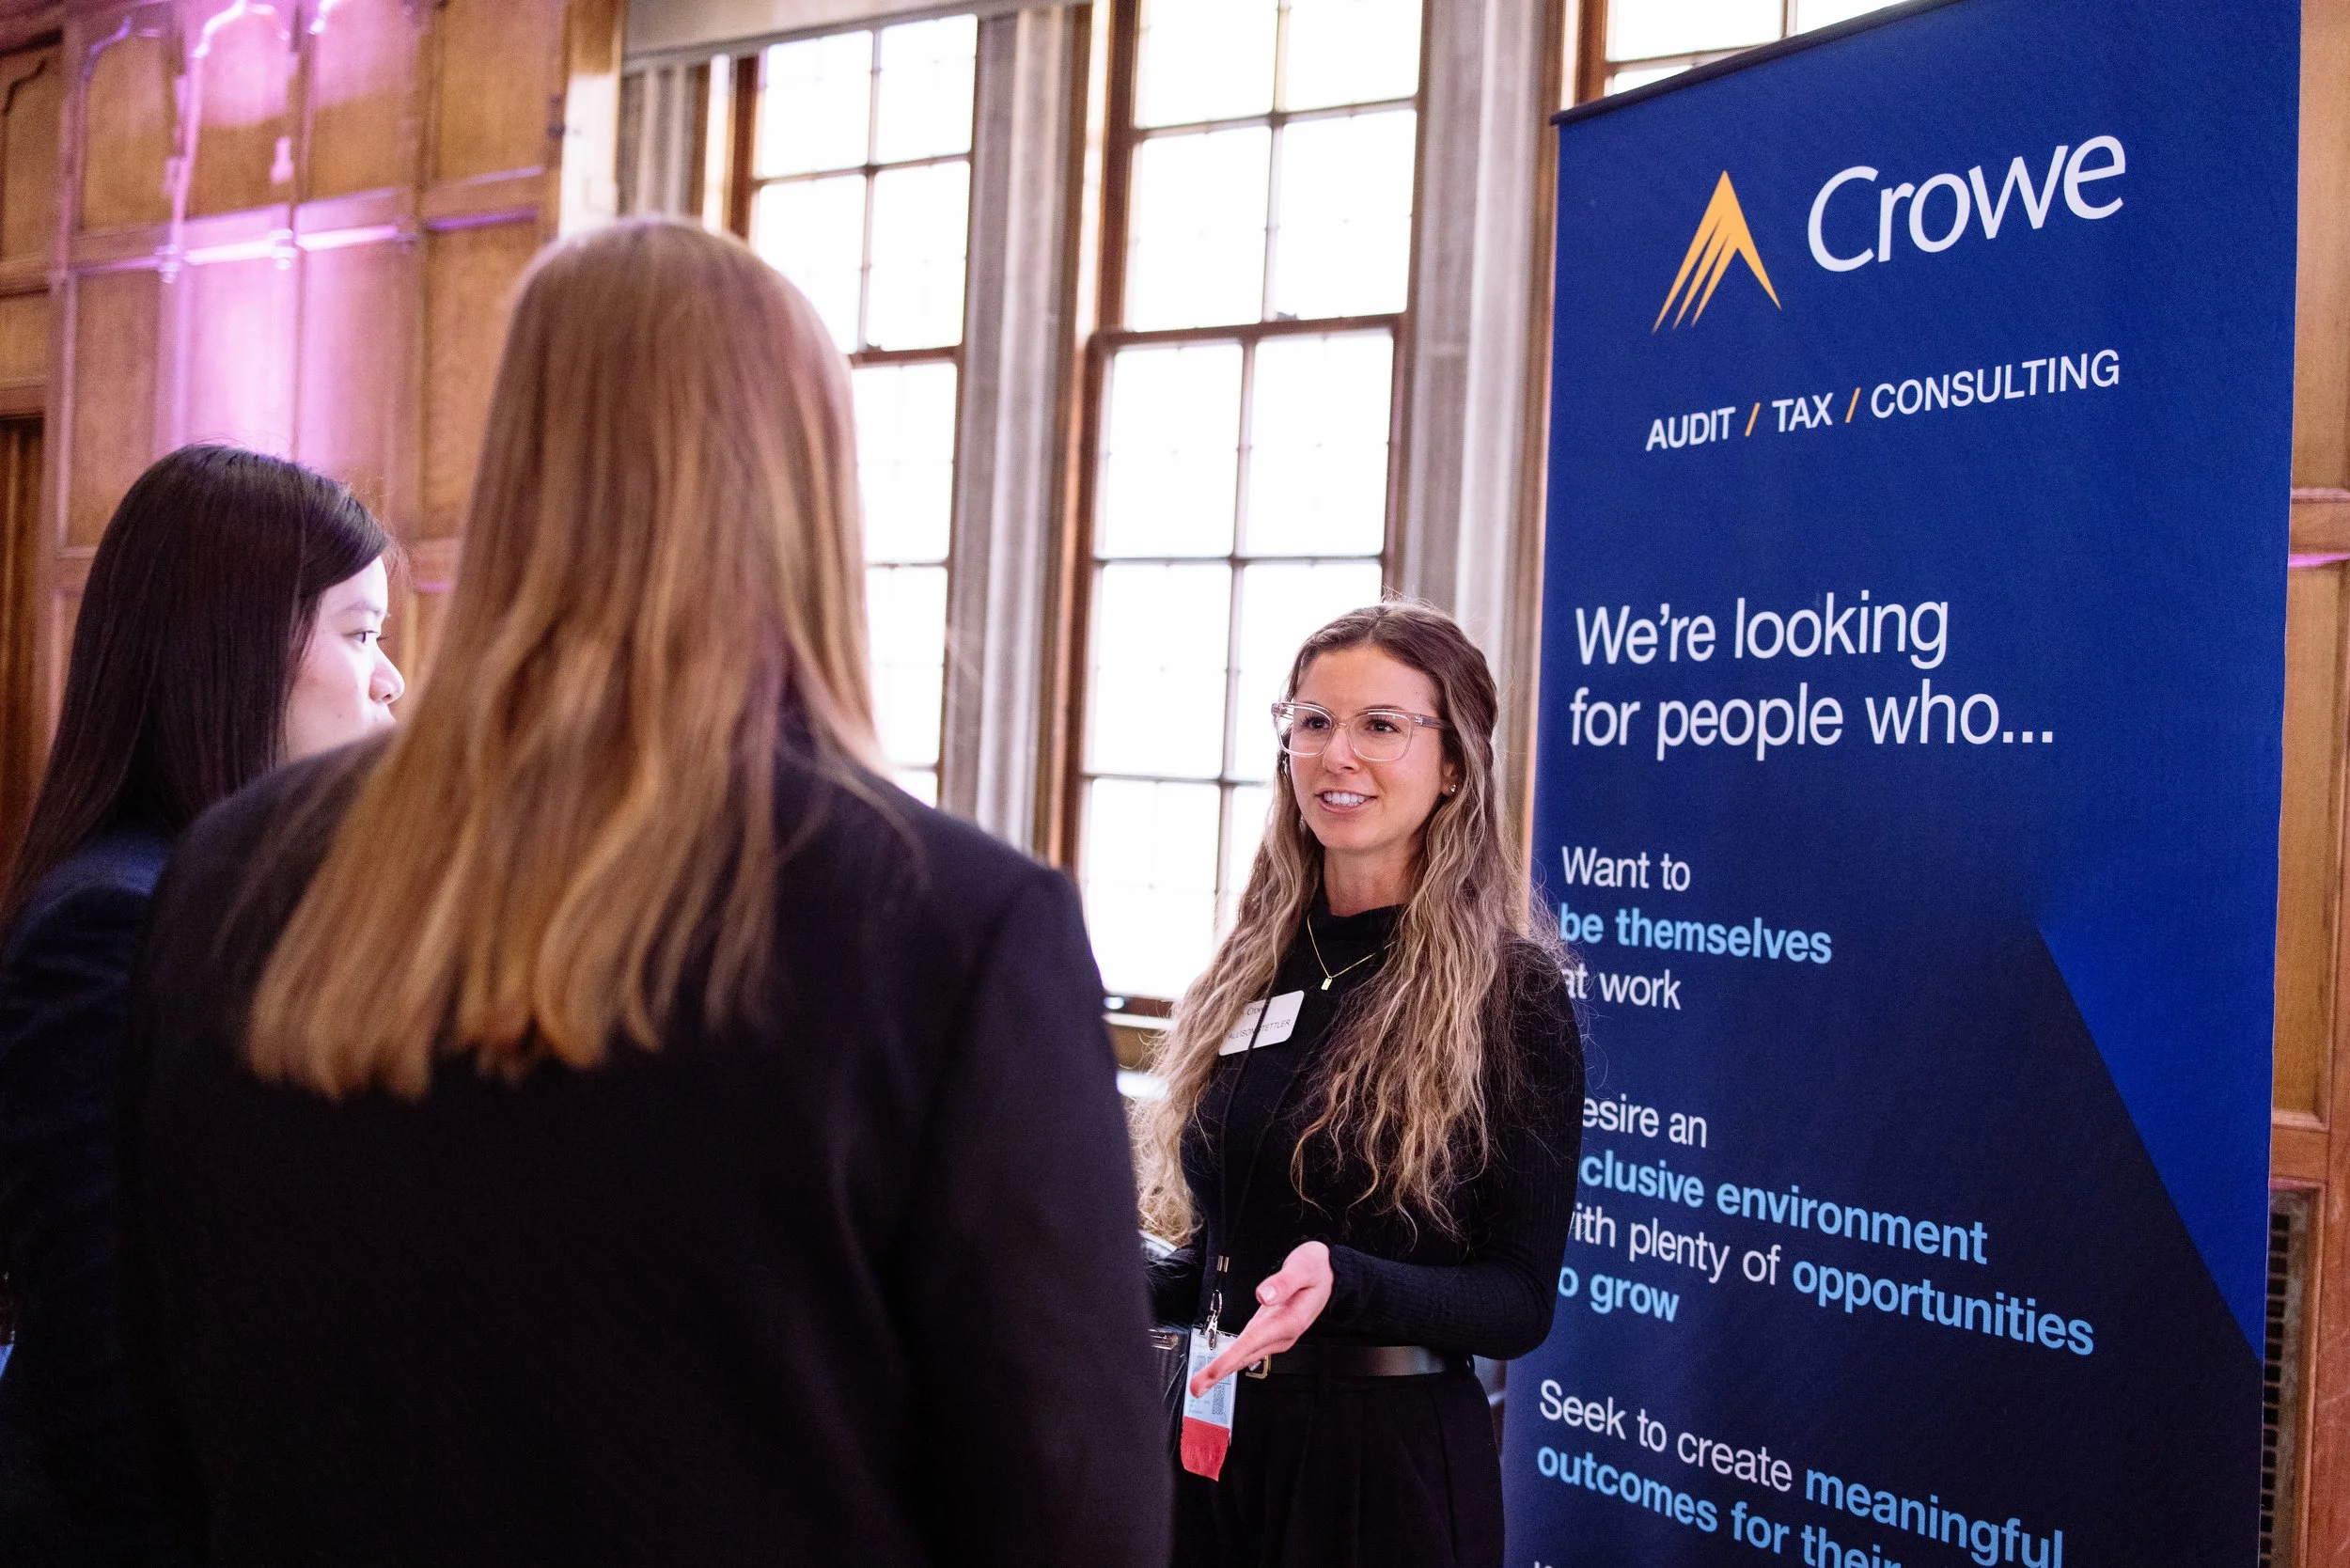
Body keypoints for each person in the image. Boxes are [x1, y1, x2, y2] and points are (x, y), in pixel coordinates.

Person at [115, 219, 1167, 1567]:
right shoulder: (954, 930)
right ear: (804, 488)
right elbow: (1074, 1518)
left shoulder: (235, 874)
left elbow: (162, 1427)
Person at [0, 444, 400, 1564]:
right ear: (232, 651)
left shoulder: (218, 888)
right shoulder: (111, 917)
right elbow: (103, 1365)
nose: (393, 680)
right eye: (361, 634)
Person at [1136, 601, 1585, 1568]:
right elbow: (1223, 1257)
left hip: (1384, 1473)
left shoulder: (1511, 994)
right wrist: (1076, 1255)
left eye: (1381, 726)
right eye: (1312, 722)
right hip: (1213, 1447)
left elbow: (1517, 1300)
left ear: (1454, 763)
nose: (1337, 754)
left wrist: (1346, 1280)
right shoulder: (1256, 964)